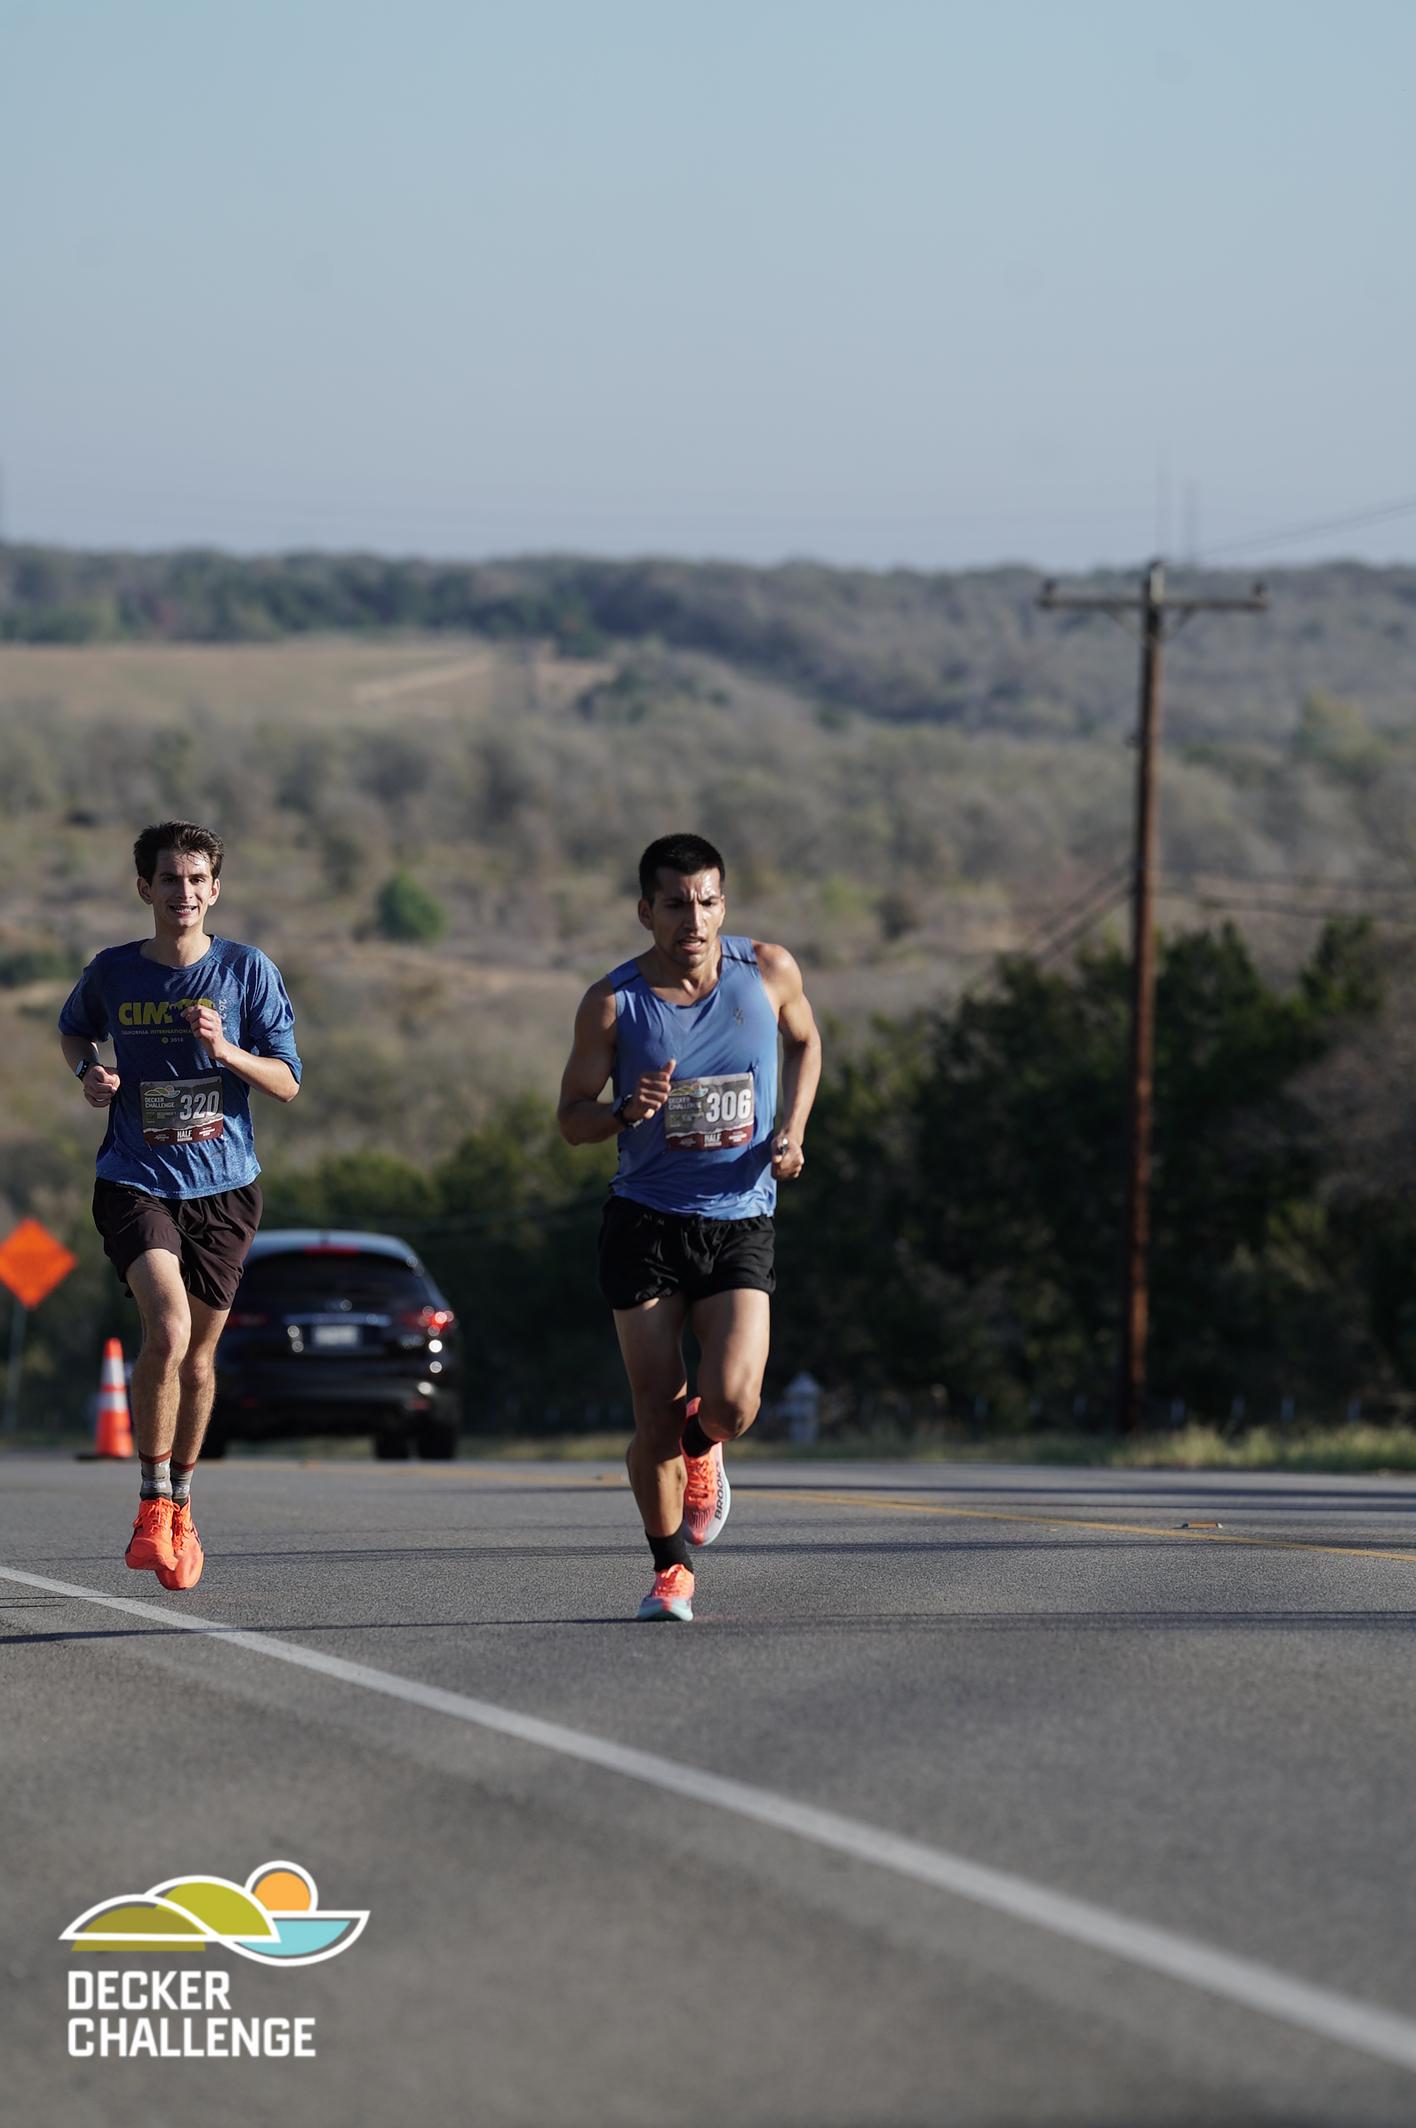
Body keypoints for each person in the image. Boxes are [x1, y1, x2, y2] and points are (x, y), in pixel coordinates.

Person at [557, 832, 821, 1622]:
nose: (693, 919)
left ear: (723, 905)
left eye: (706, 902)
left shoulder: (768, 970)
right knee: (654, 1410)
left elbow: (806, 1042)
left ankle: (705, 1447)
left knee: (732, 1403)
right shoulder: (612, 1003)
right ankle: (671, 1568)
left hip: (739, 1219)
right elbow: (570, 1119)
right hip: (645, 1223)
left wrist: (793, 1130)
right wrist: (621, 1113)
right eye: (675, 904)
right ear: (646, 911)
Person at [58, 821, 301, 1590]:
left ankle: (182, 1506)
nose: (184, 893)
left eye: (197, 880)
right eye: (170, 879)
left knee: (198, 1360)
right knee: (166, 1329)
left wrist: (227, 1051)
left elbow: (288, 1081)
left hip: (225, 1188)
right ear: (146, 889)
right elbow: (74, 1032)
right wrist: (90, 1075)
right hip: (135, 1178)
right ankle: (150, 1502)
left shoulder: (246, 970)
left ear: (215, 889)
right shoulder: (114, 972)